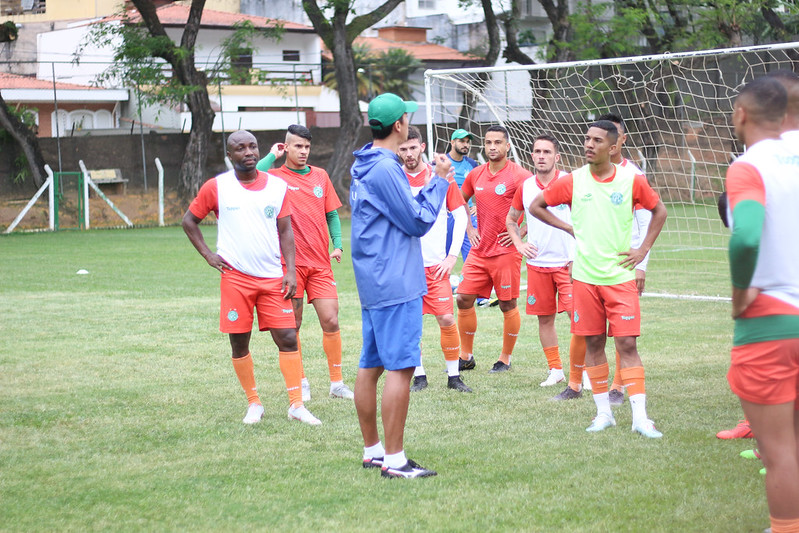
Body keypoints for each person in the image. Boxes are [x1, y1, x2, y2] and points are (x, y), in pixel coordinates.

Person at [529, 120, 667, 438]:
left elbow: (659, 211)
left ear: (614, 147)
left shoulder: (632, 180)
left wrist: (642, 249)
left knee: (627, 344)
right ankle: (603, 413)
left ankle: (640, 418)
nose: (589, 144)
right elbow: (536, 206)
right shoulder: (573, 181)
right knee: (594, 342)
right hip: (585, 277)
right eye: (586, 139)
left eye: (597, 140)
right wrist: (566, 227)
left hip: (619, 277)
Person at [182, 129, 321, 426]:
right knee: (239, 344)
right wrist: (208, 255)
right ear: (229, 155)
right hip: (236, 279)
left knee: (287, 338)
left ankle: (296, 404)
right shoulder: (216, 186)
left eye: (253, 146)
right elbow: (189, 221)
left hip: (273, 278)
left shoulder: (276, 186)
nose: (249, 152)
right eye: (240, 148)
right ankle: (253, 403)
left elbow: (286, 231)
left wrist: (290, 271)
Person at [350, 93, 452, 479]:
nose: (409, 123)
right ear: (398, 126)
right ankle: (394, 461)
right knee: (401, 368)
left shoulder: (364, 163)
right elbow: (417, 222)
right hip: (394, 279)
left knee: (371, 364)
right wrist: (439, 182)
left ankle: (373, 450)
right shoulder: (385, 169)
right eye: (407, 117)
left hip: (375, 278)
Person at [726, 75, 799, 533]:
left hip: (772, 321)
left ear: (741, 115)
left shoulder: (748, 166)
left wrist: (739, 294)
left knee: (779, 452)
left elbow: (747, 235)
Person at [255, 124, 354, 402]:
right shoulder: (274, 177)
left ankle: (337, 383)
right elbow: (252, 174)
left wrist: (337, 244)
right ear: (287, 147)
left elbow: (332, 215)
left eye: (307, 147)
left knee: (331, 320)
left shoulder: (321, 176)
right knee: (293, 326)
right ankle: (301, 380)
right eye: (298, 146)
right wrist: (271, 155)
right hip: (291, 267)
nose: (303, 152)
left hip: (321, 263)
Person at [398, 126, 472, 393]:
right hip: (406, 268)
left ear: (423, 146)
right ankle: (419, 376)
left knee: (446, 319)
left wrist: (452, 256)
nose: (408, 154)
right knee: (410, 323)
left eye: (412, 147)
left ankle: (454, 377)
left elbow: (461, 216)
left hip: (436, 267)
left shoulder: (440, 177)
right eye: (403, 149)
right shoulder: (394, 179)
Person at [506, 135, 581, 392]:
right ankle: (556, 370)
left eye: (547, 152)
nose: (541, 156)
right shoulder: (526, 186)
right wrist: (519, 244)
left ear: (556, 157)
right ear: (532, 156)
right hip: (538, 264)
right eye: (537, 151)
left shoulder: (571, 181)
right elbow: (511, 220)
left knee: (579, 319)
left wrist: (578, 254)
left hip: (569, 264)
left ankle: (584, 373)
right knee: (545, 320)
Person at [457, 125, 531, 373]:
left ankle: (505, 359)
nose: (492, 147)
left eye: (498, 142)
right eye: (488, 142)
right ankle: (466, 356)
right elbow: (459, 199)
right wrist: (469, 227)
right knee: (463, 298)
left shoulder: (520, 176)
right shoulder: (476, 173)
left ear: (507, 146)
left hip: (505, 252)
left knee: (507, 304)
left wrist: (521, 233)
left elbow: (541, 204)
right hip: (479, 250)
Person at [596, 113, 653, 407]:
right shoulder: (591, 173)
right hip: (594, 263)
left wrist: (641, 263)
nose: (608, 141)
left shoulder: (635, 176)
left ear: (622, 139)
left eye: (613, 135)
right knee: (591, 331)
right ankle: (576, 383)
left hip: (625, 265)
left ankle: (618, 387)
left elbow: (647, 220)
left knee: (622, 331)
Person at [445, 129, 479, 262]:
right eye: (461, 141)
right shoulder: (441, 162)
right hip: (449, 214)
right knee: (444, 255)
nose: (465, 145)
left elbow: (478, 187)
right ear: (452, 142)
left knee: (472, 256)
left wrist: (477, 205)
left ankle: (469, 282)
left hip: (468, 214)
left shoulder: (471, 164)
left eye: (467, 142)